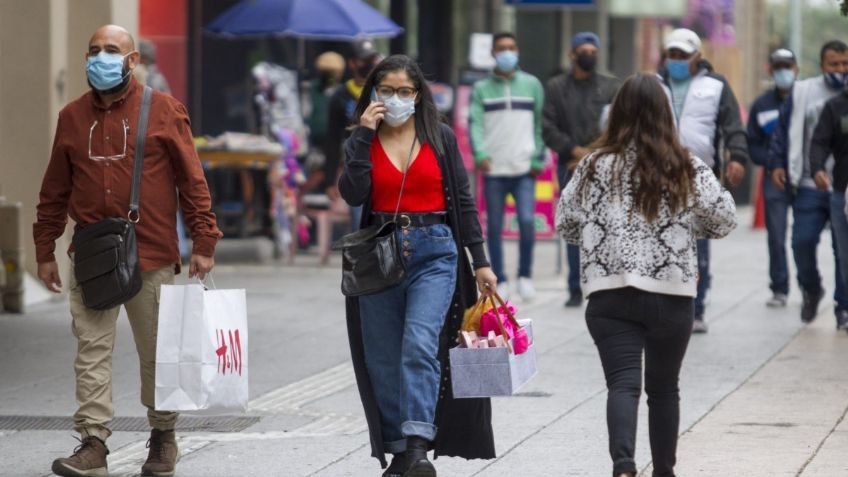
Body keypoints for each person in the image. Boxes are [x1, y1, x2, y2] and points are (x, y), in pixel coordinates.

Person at [33, 25, 222, 477]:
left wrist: (204, 240)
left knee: (157, 352)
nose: (101, 58)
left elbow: (191, 180)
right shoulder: (72, 116)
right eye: (93, 50)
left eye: (111, 51)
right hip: (92, 254)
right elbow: (54, 189)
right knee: (91, 350)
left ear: (132, 60)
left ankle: (162, 436)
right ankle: (93, 442)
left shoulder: (163, 110)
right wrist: (44, 248)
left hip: (151, 251)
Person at [556, 73, 737, 477]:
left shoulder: (591, 166)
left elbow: (566, 224)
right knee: (664, 388)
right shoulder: (686, 166)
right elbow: (725, 219)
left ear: (617, 112)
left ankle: (623, 465)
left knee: (622, 385)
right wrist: (689, 228)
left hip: (609, 295)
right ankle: (665, 471)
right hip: (671, 294)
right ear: (666, 114)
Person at [338, 54, 498, 477]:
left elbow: (463, 202)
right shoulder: (364, 140)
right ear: (372, 93)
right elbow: (352, 195)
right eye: (386, 90)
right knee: (383, 356)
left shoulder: (439, 136)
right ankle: (398, 451)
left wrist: (480, 261)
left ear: (418, 95)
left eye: (404, 91)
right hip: (379, 255)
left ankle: (418, 443)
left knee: (420, 344)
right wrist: (361, 137)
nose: (395, 99)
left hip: (435, 249)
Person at [659, 28, 749, 333]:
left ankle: (697, 308)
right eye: (672, 55)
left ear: (697, 56)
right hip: (658, 175)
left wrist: (737, 156)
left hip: (700, 175)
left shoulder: (716, 85)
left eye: (683, 55)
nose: (677, 60)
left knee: (698, 243)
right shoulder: (655, 84)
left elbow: (733, 125)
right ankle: (664, 299)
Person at [768, 40, 848, 327]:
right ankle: (811, 289)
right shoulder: (803, 92)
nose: (840, 70)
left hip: (843, 186)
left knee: (844, 250)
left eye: (845, 64)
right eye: (834, 64)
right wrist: (777, 164)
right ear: (822, 65)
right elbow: (782, 131)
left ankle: (844, 307)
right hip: (808, 184)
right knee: (801, 242)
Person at [542, 31, 620, 308]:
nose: (590, 55)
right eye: (584, 50)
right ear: (572, 54)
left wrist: (593, 155)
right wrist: (573, 151)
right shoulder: (555, 87)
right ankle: (575, 288)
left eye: (594, 51)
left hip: (604, 167)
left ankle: (604, 284)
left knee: (606, 225)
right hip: (570, 167)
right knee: (574, 224)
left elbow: (617, 126)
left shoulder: (610, 86)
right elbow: (548, 127)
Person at [469, 31, 545, 301]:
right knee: (494, 228)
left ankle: (525, 276)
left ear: (518, 50)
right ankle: (499, 277)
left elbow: (540, 124)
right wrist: (480, 154)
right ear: (493, 53)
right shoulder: (481, 89)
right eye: (501, 48)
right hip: (494, 169)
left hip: (524, 168)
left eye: (511, 47)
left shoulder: (532, 84)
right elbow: (475, 124)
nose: (507, 53)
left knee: (526, 221)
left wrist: (538, 157)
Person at [746, 48, 799, 308]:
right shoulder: (761, 105)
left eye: (787, 66)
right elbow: (752, 144)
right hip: (774, 179)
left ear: (796, 69)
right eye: (778, 67)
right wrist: (772, 163)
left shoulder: (806, 100)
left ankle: (809, 286)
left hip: (804, 178)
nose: (783, 72)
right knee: (776, 235)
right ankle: (780, 288)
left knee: (804, 236)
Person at [325, 39, 382, 230]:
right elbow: (332, 139)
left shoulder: (382, 91)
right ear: (352, 63)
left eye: (371, 59)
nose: (368, 64)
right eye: (363, 60)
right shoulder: (340, 95)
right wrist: (330, 178)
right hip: (355, 163)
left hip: (383, 161)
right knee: (359, 222)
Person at [809, 69, 848, 331]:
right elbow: (819, 142)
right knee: (845, 254)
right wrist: (818, 168)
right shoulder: (836, 107)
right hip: (841, 192)